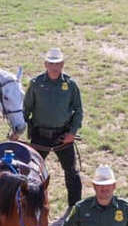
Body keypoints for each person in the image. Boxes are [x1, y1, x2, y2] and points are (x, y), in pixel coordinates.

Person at [23, 47, 84, 207]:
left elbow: (78, 110)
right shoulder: (36, 84)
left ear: (62, 64)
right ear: (45, 64)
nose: (54, 67)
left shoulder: (70, 85)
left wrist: (72, 133)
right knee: (31, 171)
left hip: (62, 136)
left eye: (57, 63)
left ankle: (75, 207)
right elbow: (26, 110)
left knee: (71, 172)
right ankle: (29, 203)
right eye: (51, 63)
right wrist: (18, 130)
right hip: (39, 136)